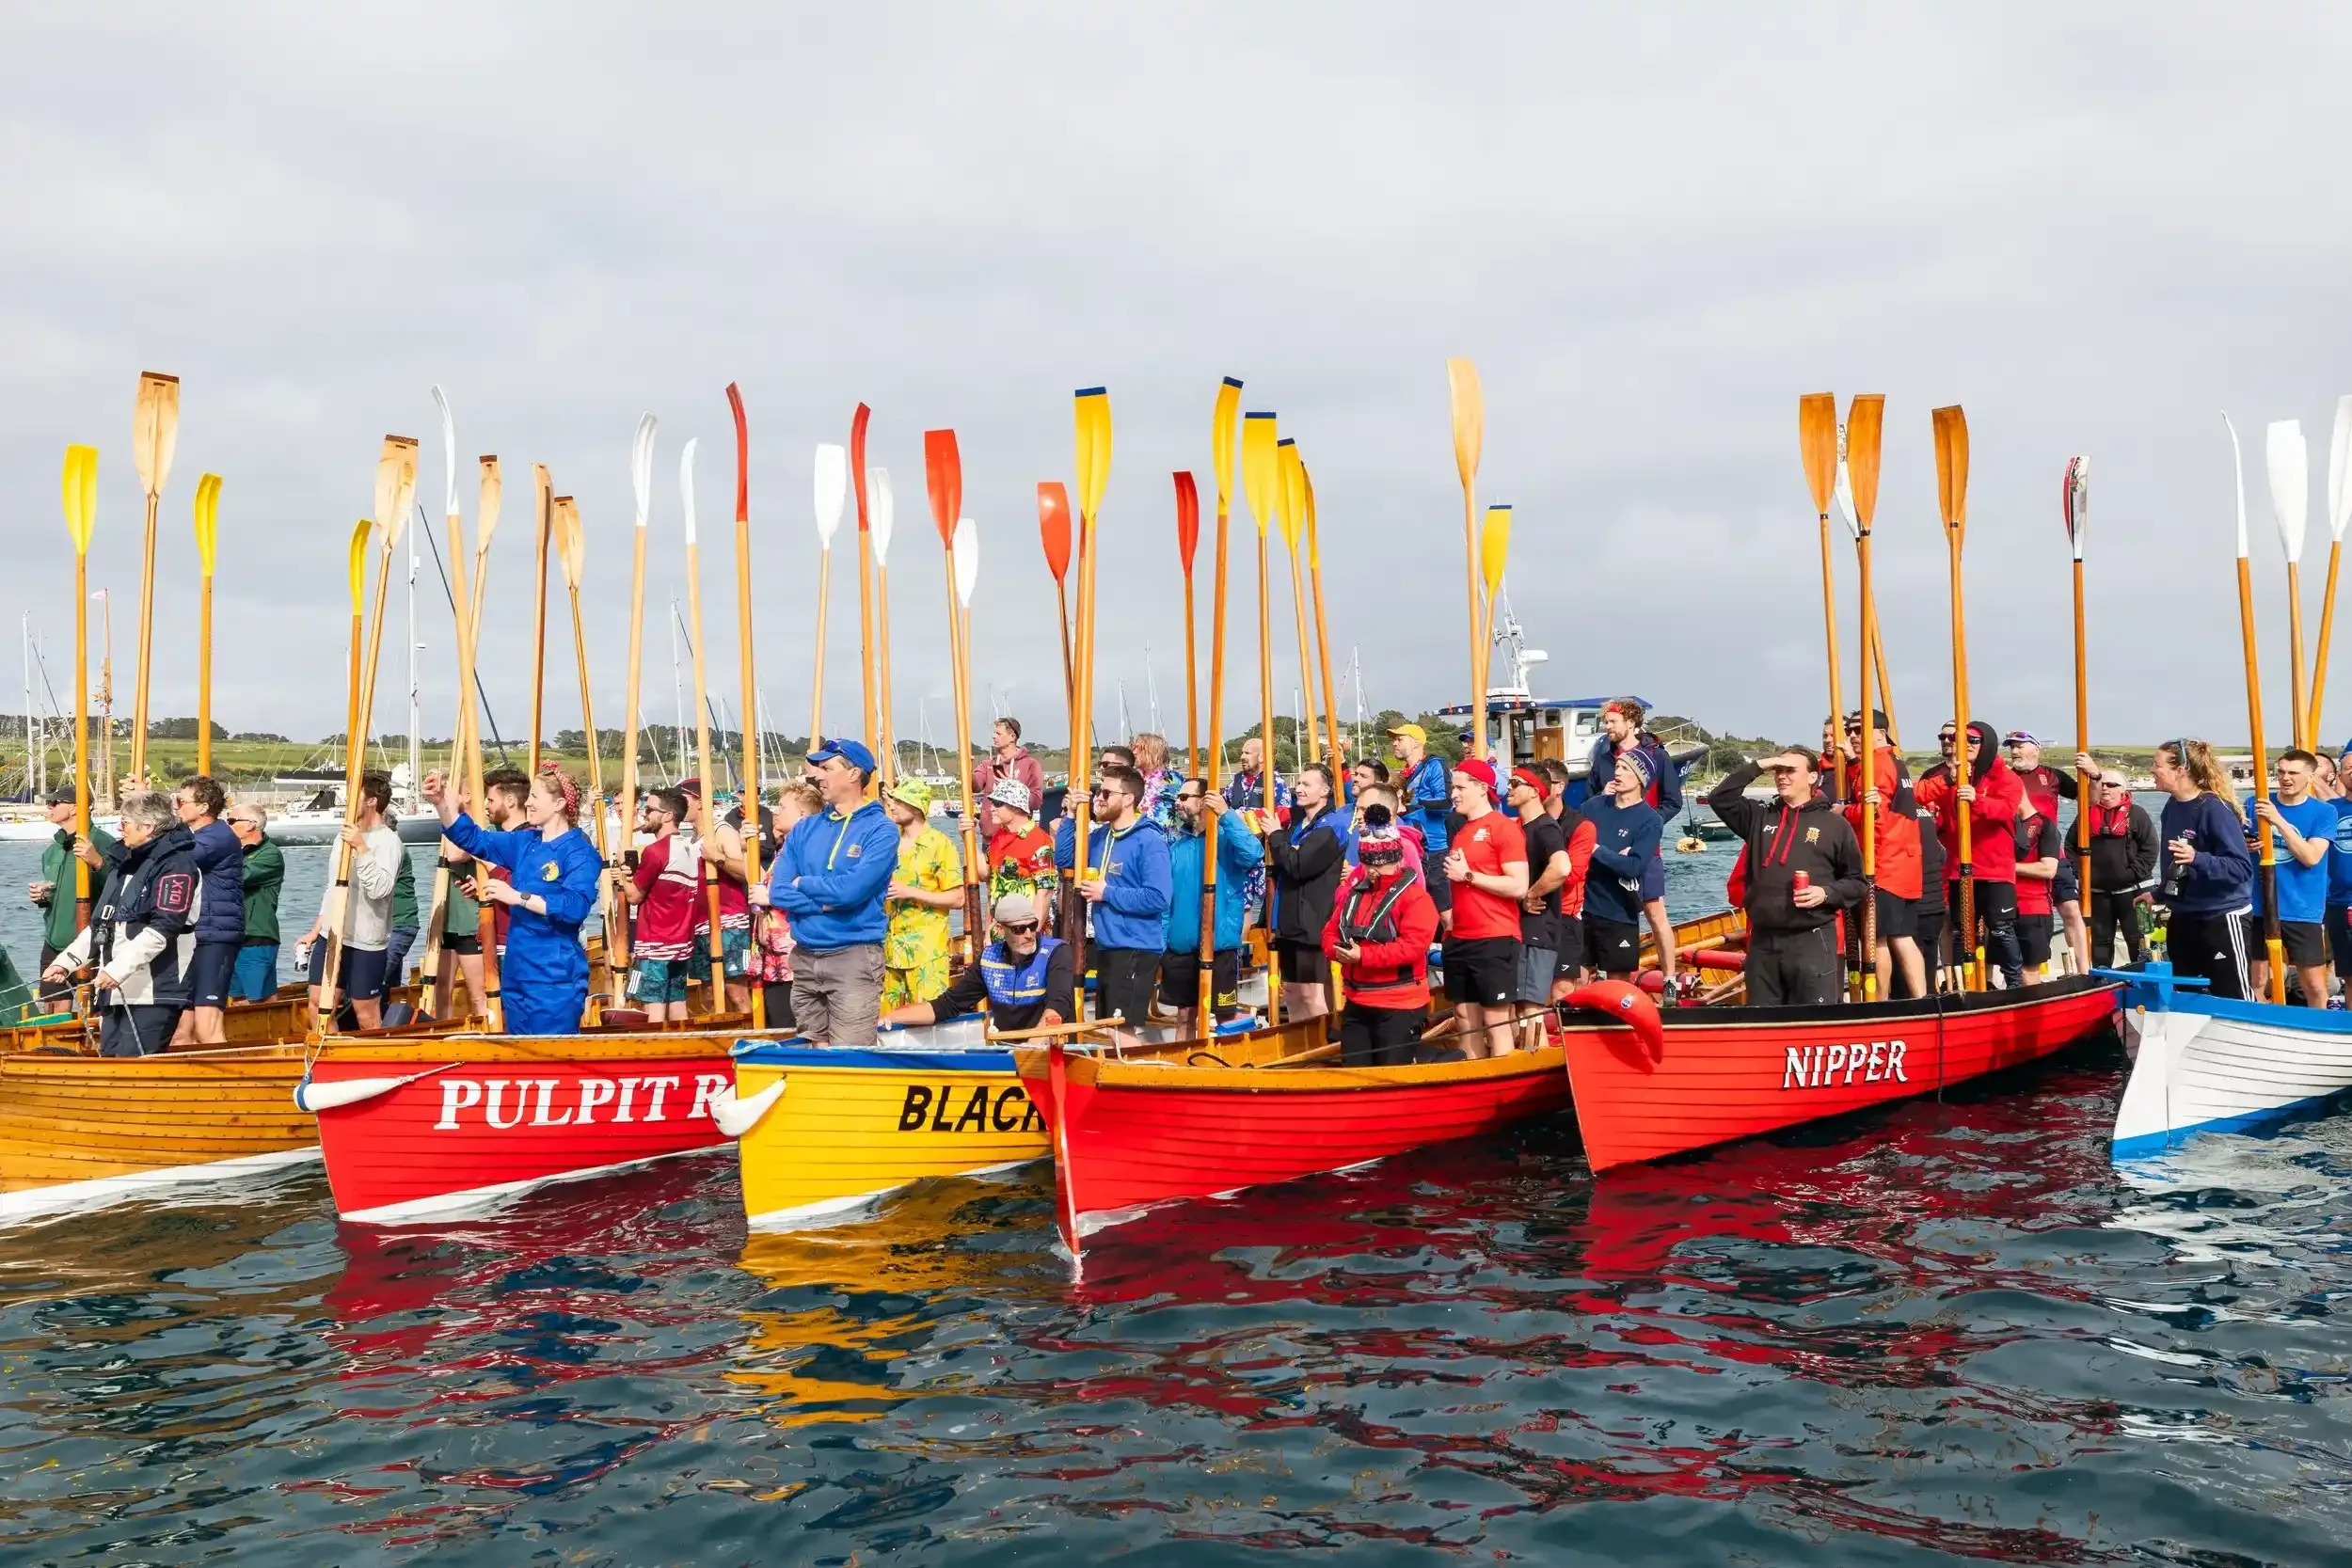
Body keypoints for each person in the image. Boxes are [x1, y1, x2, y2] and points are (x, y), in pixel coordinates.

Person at [424, 762, 604, 1035]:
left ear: (558, 804)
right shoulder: (526, 842)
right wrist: (442, 805)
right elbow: (475, 839)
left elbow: (575, 907)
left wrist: (517, 897)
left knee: (550, 1049)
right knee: (520, 1044)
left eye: (534, 796)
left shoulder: (579, 851)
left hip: (554, 974)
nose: (528, 803)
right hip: (517, 969)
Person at [40, 790, 198, 1056]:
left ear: (147, 827)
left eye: (125, 822)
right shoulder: (124, 864)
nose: (119, 828)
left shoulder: (176, 867)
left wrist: (116, 970)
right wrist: (65, 962)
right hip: (115, 991)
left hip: (155, 991)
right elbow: (101, 925)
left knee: (132, 1063)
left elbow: (162, 929)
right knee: (110, 1058)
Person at [1708, 750, 1868, 1006]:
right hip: (1763, 941)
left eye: (1790, 770)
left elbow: (1857, 883)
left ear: (1813, 777)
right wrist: (1760, 765)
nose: (1781, 776)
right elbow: (1719, 798)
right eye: (1778, 771)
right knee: (1762, 1026)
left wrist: (1825, 893)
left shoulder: (1835, 825)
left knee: (1813, 1024)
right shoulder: (1759, 817)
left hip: (1812, 940)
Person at [767, 737, 898, 1047]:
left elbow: (850, 892)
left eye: (827, 768)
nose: (817, 776)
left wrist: (806, 884)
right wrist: (824, 905)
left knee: (852, 1058)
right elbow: (778, 892)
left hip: (853, 957)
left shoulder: (881, 830)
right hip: (805, 957)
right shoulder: (804, 828)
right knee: (814, 1051)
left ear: (854, 774)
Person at [1053, 763, 1171, 1033]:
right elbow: (1064, 861)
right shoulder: (1100, 837)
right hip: (1109, 946)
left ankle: (1129, 1073)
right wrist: (1070, 815)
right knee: (1110, 1028)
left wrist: (1106, 893)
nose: (1098, 799)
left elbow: (1158, 897)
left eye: (1106, 793)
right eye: (1098, 792)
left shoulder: (1149, 841)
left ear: (1128, 799)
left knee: (1121, 1028)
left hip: (1135, 947)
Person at [1323, 805, 1440, 1067]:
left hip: (1400, 1005)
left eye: (1382, 863)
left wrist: (1362, 955)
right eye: (1367, 863)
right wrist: (1337, 950)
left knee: (1392, 1074)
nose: (1375, 870)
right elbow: (1330, 931)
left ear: (1398, 860)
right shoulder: (1354, 893)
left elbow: (1412, 948)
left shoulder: (1416, 898)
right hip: (1356, 1001)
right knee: (1354, 1073)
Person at [1915, 720, 2026, 989]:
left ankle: (2014, 984)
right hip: (1959, 866)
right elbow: (1931, 810)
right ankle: (1966, 984)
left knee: (2001, 928)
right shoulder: (1952, 776)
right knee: (1961, 930)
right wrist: (1939, 823)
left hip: (1994, 868)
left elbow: (2006, 811)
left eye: (1973, 741)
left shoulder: (2006, 777)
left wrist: (1977, 799)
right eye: (1962, 741)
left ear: (1986, 744)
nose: (1967, 746)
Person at [295, 769, 402, 1030]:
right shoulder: (341, 836)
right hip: (332, 936)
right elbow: (332, 887)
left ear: (371, 801)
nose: (347, 800)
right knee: (319, 1004)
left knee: (365, 1013)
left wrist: (361, 848)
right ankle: (328, 1056)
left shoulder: (389, 842)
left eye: (355, 795)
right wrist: (316, 929)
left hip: (365, 940)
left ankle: (377, 1064)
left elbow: (380, 889)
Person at [1586, 699, 1682, 986]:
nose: (1608, 727)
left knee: (1654, 911)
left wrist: (1643, 830)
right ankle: (1599, 980)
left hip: (1643, 849)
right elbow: (1588, 803)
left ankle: (1669, 980)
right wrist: (1602, 795)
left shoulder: (1657, 756)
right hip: (1605, 852)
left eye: (1612, 722)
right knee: (1601, 911)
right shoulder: (1603, 758)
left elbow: (1673, 802)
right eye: (1606, 722)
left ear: (1631, 722)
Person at [1832, 709, 1927, 999]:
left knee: (1878, 938)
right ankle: (1921, 997)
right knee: (1900, 936)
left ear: (1880, 732)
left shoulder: (1878, 764)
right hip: (1903, 861)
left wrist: (1842, 811)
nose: (1852, 736)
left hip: (1884, 861)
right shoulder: (1892, 761)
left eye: (1859, 730)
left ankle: (1880, 1001)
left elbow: (1874, 813)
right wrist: (1852, 762)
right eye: (1850, 731)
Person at [884, 891, 1074, 1033]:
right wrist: (893, 1016)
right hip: (1008, 1053)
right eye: (1019, 929)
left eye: (1032, 927)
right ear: (1000, 930)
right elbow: (947, 1005)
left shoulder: (1056, 952)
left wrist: (1033, 1047)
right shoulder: (989, 960)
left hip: (1050, 1052)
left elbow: (1057, 1008)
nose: (1028, 935)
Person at [1160, 774, 1263, 1035]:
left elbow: (1253, 853)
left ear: (1204, 801)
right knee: (1184, 1016)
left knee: (1224, 1014)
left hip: (1219, 945)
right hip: (1180, 946)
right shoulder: (1176, 847)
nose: (1178, 803)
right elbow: (1165, 901)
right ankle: (1182, 1070)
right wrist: (1163, 940)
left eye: (1184, 798)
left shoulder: (1226, 840)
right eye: (1177, 798)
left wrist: (1226, 814)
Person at [2153, 738, 2254, 1001]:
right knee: (2187, 994)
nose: (2152, 770)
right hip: (2184, 917)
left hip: (2221, 917)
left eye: (2157, 764)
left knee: (2233, 995)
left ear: (2181, 769)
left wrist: (2198, 858)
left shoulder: (2214, 809)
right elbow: (2176, 866)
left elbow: (2241, 869)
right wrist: (2158, 894)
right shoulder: (2172, 807)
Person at [1440, 757, 1528, 1056]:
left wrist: (1468, 875)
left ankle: (1501, 1082)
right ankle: (1471, 1075)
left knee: (1495, 1019)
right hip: (1461, 936)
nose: (1453, 794)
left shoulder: (1503, 828)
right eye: (1453, 787)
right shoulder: (1463, 831)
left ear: (1481, 788)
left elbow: (1518, 885)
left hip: (1494, 936)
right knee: (1464, 1017)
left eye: (1459, 787)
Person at [2247, 747, 2335, 1006]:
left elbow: (2310, 857)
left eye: (2293, 773)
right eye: (2281, 772)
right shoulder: (2255, 803)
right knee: (2258, 980)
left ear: (2309, 776)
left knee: (2315, 985)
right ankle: (2261, 1028)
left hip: (2301, 907)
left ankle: (2318, 1032)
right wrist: (2246, 843)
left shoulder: (2324, 812)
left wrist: (2278, 821)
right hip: (2260, 905)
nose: (2286, 778)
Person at [1266, 763, 1347, 1022]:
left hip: (1312, 921)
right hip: (1290, 919)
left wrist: (1276, 836)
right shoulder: (1300, 825)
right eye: (1298, 783)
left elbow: (1299, 865)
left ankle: (1323, 1046)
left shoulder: (1330, 827)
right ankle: (1299, 1042)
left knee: (1311, 994)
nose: (1298, 789)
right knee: (1291, 991)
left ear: (1325, 790)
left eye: (1306, 784)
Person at [2007, 732, 2090, 974]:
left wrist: (2093, 774)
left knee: (2071, 910)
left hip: (2051, 852)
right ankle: (2005, 975)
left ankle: (2084, 970)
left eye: (2020, 746)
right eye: (2012, 747)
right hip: (2017, 855)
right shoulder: (2005, 777)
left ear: (2036, 748)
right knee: (2007, 915)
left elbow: (2088, 799)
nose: (2014, 752)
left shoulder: (2052, 776)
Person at [169, 775, 245, 1046]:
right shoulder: (195, 836)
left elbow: (180, 861)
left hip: (215, 934)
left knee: (206, 1028)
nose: (177, 806)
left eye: (181, 801)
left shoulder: (218, 836)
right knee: (180, 1032)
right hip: (191, 935)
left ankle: (229, 1085)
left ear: (203, 807)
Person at [882, 776, 962, 1012]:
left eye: (899, 801)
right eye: (892, 801)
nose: (892, 806)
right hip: (890, 947)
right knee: (889, 1019)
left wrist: (911, 892)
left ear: (916, 807)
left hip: (926, 949)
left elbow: (957, 898)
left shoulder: (939, 844)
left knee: (928, 1014)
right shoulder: (889, 839)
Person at [1583, 751, 1664, 981]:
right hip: (1583, 910)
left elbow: (1633, 867)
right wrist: (1615, 858)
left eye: (1625, 769)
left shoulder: (1650, 820)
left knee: (1617, 985)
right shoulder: (1592, 807)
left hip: (1619, 913)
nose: (1617, 773)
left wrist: (1596, 850)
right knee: (1575, 981)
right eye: (1617, 767)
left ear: (1641, 779)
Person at [621, 787, 699, 1022]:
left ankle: (654, 1051)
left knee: (652, 1003)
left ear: (667, 816)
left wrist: (623, 877)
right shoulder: (688, 848)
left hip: (655, 941)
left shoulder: (656, 851)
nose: (645, 814)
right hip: (681, 941)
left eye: (650, 809)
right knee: (677, 1001)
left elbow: (634, 896)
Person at [30, 786, 115, 999]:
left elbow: (119, 889)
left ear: (76, 808)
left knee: (95, 1011)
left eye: (55, 802)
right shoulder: (53, 850)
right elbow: (57, 895)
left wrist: (98, 863)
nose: (49, 806)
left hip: (92, 941)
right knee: (53, 1009)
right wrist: (42, 897)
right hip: (54, 941)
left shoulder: (104, 843)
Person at [681, 776, 754, 1014]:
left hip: (728, 921)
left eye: (684, 800)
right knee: (710, 994)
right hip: (701, 925)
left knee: (736, 991)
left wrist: (718, 858)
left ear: (699, 802)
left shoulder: (722, 832)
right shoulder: (692, 838)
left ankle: (749, 1035)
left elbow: (746, 872)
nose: (680, 806)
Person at [753, 780, 822, 1026]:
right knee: (778, 1017)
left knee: (791, 1022)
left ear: (802, 813)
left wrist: (770, 897)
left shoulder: (809, 849)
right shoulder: (787, 848)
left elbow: (814, 895)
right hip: (775, 954)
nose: (776, 812)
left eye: (782, 807)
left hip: (793, 952)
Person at [1509, 766, 1569, 1026]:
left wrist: (1530, 894)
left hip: (1538, 928)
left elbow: (1562, 867)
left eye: (1515, 783)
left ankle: (1535, 1058)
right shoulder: (1518, 828)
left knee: (1529, 1009)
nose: (1508, 788)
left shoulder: (1545, 827)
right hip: (1518, 928)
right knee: (1518, 1005)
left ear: (1534, 791)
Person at [2081, 765, 2158, 967]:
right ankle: (2102, 981)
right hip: (2098, 893)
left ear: (2123, 790)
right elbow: (2072, 846)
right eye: (2102, 784)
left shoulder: (2138, 815)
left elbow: (2150, 849)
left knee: (2139, 940)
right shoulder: (2085, 815)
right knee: (2100, 942)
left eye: (2111, 784)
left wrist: (2131, 874)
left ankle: (2143, 981)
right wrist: (2080, 873)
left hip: (2134, 892)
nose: (2105, 788)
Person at [1537, 758, 1596, 991]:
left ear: (1560, 786)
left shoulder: (1582, 826)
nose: (1537, 787)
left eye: (1544, 781)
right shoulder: (1524, 823)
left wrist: (1530, 885)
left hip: (1564, 915)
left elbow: (1570, 875)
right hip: (1527, 914)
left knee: (1562, 987)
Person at [1389, 723, 1453, 915]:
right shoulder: (1404, 774)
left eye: (1399, 739)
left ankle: (1452, 943)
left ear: (1416, 743)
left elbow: (1445, 803)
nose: (1394, 743)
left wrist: (1409, 805)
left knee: (1444, 910)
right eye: (1394, 740)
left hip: (1433, 848)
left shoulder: (1434, 765)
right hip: (1409, 847)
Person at [227, 803, 284, 1002]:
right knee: (236, 999)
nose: (227, 826)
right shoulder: (235, 851)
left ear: (251, 825)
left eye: (231, 821)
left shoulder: (270, 854)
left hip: (256, 937)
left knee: (258, 1001)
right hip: (233, 936)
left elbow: (238, 877)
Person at [985, 776, 1057, 909]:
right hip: (998, 925)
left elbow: (1045, 893)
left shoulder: (1040, 841)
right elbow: (987, 879)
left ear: (1016, 807)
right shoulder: (998, 837)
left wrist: (1033, 929)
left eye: (998, 803)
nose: (991, 808)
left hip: (1027, 926)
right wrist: (967, 836)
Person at [971, 716, 1045, 840]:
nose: (994, 737)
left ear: (1012, 737)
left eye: (999, 733)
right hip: (990, 839)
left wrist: (1013, 787)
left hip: (1019, 838)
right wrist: (967, 769)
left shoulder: (1031, 765)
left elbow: (1036, 802)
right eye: (994, 733)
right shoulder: (987, 765)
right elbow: (974, 786)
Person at [2013, 803, 2064, 982]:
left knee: (2028, 969)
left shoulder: (2044, 825)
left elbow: (2049, 869)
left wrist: (2007, 868)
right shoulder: (2000, 824)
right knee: (2006, 967)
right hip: (2000, 907)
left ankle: (2031, 1006)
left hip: (2033, 907)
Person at [1130, 732, 1181, 832]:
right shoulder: (1131, 778)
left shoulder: (1174, 780)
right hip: (1135, 836)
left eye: (1140, 748)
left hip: (1165, 839)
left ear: (1154, 752)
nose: (1134, 752)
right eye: (1133, 747)